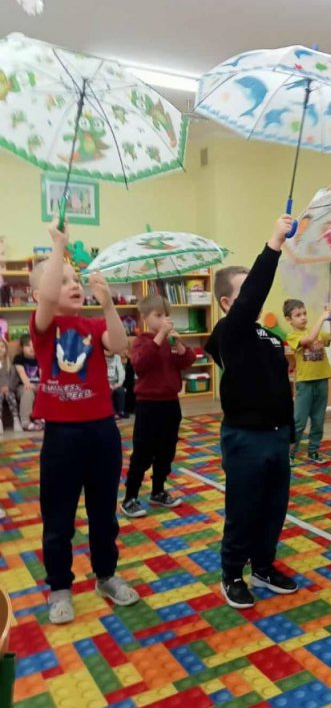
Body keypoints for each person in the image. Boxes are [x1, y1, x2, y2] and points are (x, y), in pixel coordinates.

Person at [30, 219, 139, 624]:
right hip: (62, 436)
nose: (73, 285)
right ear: (42, 295)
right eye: (64, 281)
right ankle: (60, 585)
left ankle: (105, 575)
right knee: (58, 518)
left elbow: (121, 345)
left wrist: (108, 304)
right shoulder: (44, 327)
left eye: (76, 280)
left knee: (103, 514)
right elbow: (47, 296)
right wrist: (58, 246)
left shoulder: (93, 325)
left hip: (102, 431)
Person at [205, 215, 298, 609]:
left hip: (276, 435)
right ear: (228, 303)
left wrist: (290, 433)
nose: (255, 297)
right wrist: (274, 243)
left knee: (274, 508)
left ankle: (262, 566)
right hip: (245, 438)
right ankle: (232, 573)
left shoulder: (267, 336)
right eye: (245, 293)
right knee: (243, 510)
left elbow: (278, 386)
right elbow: (254, 294)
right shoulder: (230, 332)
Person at [121, 295, 195, 517]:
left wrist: (178, 344)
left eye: (167, 315)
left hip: (171, 404)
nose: (164, 319)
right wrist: (160, 335)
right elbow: (140, 364)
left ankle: (158, 491)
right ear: (145, 317)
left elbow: (188, 361)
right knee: (143, 452)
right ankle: (130, 497)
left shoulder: (170, 341)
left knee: (166, 450)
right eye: (158, 315)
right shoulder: (142, 341)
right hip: (148, 406)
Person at [285, 299, 331, 464]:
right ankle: (289, 453)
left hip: (321, 382)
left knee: (318, 420)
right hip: (305, 384)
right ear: (288, 319)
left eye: (304, 313)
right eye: (298, 315)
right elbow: (309, 339)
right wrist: (321, 318)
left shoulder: (317, 333)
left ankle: (313, 451)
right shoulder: (293, 336)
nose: (303, 317)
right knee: (299, 421)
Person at [12, 334, 43, 431]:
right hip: (23, 385)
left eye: (34, 345)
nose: (32, 348)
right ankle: (25, 421)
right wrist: (27, 383)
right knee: (28, 392)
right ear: (21, 348)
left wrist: (42, 385)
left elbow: (42, 373)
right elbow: (21, 372)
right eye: (28, 346)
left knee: (45, 391)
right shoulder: (18, 358)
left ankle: (41, 418)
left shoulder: (40, 358)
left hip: (37, 384)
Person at [0, 336, 21, 434]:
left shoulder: (10, 363)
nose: (0, 349)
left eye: (2, 347)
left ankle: (16, 419)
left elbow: (15, 378)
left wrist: (8, 387)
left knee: (10, 397)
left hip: (9, 389)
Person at [105, 349, 127, 419]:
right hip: (105, 383)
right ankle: (113, 413)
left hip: (116, 383)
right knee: (108, 391)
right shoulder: (101, 357)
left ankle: (121, 411)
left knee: (120, 391)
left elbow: (121, 371)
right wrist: (108, 385)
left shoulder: (117, 357)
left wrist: (119, 383)